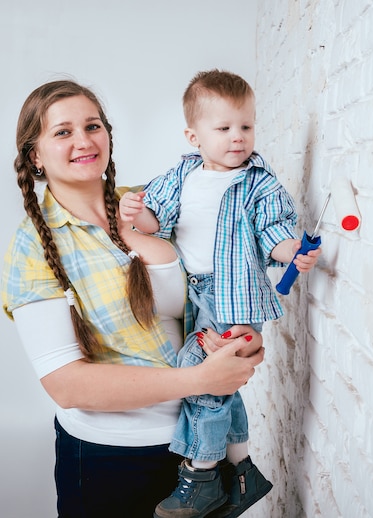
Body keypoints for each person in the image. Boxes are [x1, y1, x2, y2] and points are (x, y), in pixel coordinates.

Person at [1, 79, 266, 518]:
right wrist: (201, 380)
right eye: (63, 132)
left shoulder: (154, 204)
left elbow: (216, 288)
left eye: (93, 125)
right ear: (35, 155)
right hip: (112, 461)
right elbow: (66, 385)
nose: (84, 141)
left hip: (201, 446)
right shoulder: (32, 248)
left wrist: (239, 343)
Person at [119, 69, 321, 518]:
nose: (238, 138)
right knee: (224, 386)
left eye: (246, 126)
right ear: (194, 135)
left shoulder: (258, 183)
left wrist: (293, 252)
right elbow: (156, 219)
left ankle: (202, 476)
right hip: (195, 295)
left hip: (233, 298)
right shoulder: (184, 174)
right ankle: (243, 473)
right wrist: (136, 212)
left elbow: (274, 233)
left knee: (201, 373)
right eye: (224, 128)